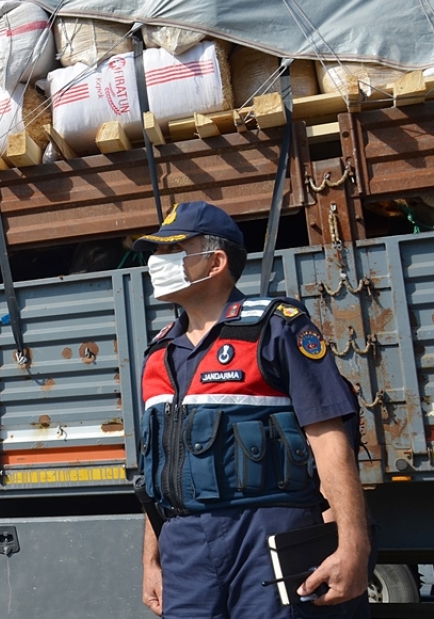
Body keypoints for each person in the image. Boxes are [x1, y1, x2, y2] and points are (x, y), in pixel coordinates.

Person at [133, 202, 371, 618]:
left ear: (216, 260)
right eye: (155, 253)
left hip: (268, 532)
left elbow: (330, 442)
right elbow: (160, 469)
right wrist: (151, 560)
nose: (157, 263)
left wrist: (353, 544)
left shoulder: (277, 328)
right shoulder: (159, 353)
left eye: (172, 251)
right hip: (184, 545)